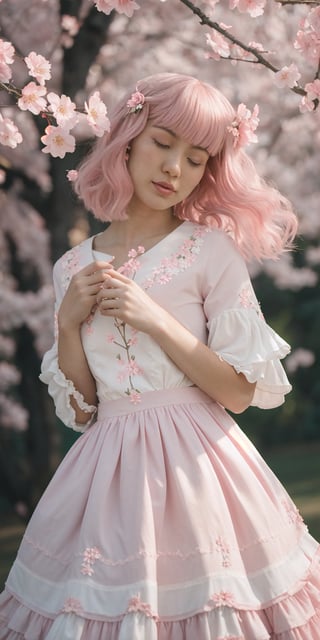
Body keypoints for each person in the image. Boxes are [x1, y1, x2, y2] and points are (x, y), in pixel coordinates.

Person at [0, 72, 319, 640]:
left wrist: (154, 318)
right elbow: (80, 411)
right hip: (105, 478)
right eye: (163, 143)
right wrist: (68, 325)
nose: (175, 168)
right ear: (128, 137)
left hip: (202, 470)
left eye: (197, 158)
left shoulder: (210, 251)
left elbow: (240, 394)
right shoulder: (72, 267)